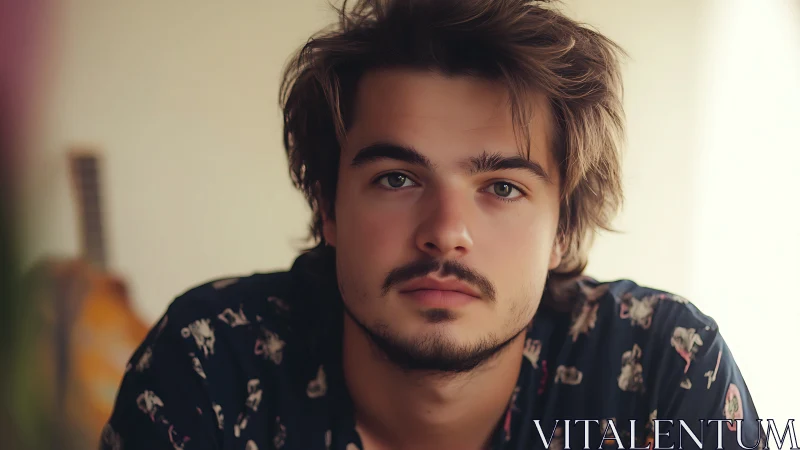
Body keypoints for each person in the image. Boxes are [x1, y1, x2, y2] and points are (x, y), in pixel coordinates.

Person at [101, 0, 764, 449]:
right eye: (398, 179)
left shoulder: (664, 371)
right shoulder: (212, 359)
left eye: (501, 187)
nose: (447, 232)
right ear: (329, 207)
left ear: (563, 229)